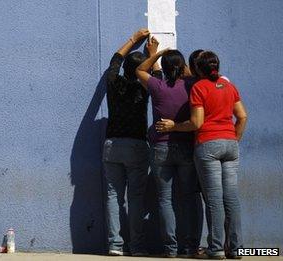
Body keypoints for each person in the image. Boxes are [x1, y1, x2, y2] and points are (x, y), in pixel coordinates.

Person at [155, 51, 247, 259]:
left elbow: (196, 123)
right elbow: (242, 116)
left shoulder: (199, 87)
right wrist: (233, 139)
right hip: (230, 144)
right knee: (231, 198)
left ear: (197, 69)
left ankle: (216, 248)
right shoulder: (229, 86)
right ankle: (236, 247)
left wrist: (174, 126)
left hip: (208, 145)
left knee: (214, 199)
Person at [136, 48, 203, 258]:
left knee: (165, 200)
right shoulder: (192, 85)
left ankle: (171, 249)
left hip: (161, 148)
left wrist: (157, 54)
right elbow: (190, 73)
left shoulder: (157, 86)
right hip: (185, 147)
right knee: (190, 198)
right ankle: (192, 246)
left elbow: (140, 69)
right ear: (182, 66)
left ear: (163, 68)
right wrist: (179, 61)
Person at [103, 28, 161, 256]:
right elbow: (157, 79)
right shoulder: (144, 88)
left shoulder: (113, 84)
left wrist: (133, 40)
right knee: (135, 198)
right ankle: (137, 246)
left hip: (112, 145)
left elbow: (114, 61)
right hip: (137, 145)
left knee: (112, 196)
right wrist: (153, 55)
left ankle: (115, 245)